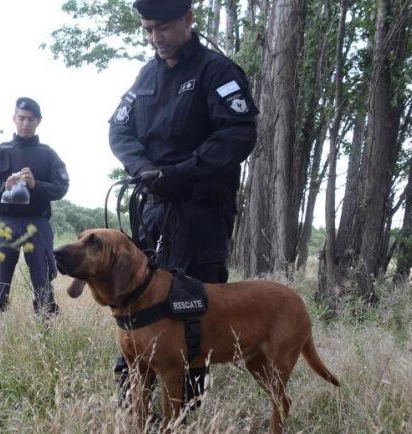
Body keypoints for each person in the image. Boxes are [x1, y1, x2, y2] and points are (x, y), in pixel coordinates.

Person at [108, 0, 258, 406]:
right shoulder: (146, 75)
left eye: (163, 28)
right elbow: (119, 129)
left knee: (193, 306)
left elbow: (239, 133)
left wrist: (182, 172)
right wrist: (144, 170)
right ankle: (130, 404)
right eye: (148, 29)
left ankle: (188, 410)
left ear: (188, 20)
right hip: (154, 206)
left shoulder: (217, 71)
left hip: (201, 210)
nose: (156, 37)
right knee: (135, 293)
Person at [0, 97, 69, 317]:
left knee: (42, 277)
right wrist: (3, 186)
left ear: (38, 121)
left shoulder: (48, 154)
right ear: (14, 119)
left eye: (30, 119)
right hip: (4, 223)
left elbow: (62, 187)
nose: (25, 123)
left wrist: (36, 184)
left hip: (36, 223)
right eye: (21, 118)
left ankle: (46, 325)